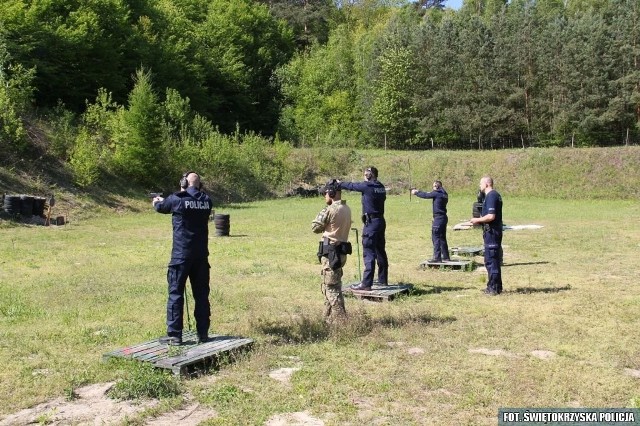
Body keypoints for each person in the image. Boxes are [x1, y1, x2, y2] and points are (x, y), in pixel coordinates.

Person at [152, 171, 213, 345]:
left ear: (184, 183)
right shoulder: (206, 201)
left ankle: (174, 335)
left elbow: (161, 207)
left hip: (181, 255)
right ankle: (203, 333)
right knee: (201, 295)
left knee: (175, 294)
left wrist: (156, 201)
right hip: (201, 256)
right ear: (199, 185)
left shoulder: (177, 199)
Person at [338, 167, 388, 291]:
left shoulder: (367, 186)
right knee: (380, 251)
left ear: (369, 175)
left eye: (366, 174)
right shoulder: (381, 186)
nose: (364, 176)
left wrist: (339, 184)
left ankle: (366, 284)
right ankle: (382, 279)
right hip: (380, 221)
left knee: (369, 252)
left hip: (371, 223)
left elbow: (352, 186)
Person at [311, 179, 352, 321]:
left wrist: (322, 212)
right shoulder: (346, 208)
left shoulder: (331, 209)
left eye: (326, 193)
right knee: (333, 285)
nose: (325, 196)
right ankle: (326, 318)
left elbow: (315, 228)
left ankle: (342, 320)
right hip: (340, 252)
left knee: (331, 289)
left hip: (331, 253)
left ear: (332, 193)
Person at [470, 176, 503, 295]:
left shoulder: (492, 196)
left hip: (492, 232)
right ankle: (494, 286)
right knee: (492, 259)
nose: (479, 186)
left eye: (481, 184)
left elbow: (491, 216)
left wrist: (477, 220)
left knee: (491, 260)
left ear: (487, 184)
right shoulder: (491, 196)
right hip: (491, 231)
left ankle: (494, 288)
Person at [411, 180, 450, 263]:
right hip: (443, 217)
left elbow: (426, 195)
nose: (433, 188)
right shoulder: (444, 194)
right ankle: (446, 257)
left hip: (438, 218)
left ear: (436, 186)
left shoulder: (436, 193)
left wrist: (416, 192)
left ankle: (437, 257)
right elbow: (430, 193)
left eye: (434, 186)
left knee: (435, 237)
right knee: (442, 238)